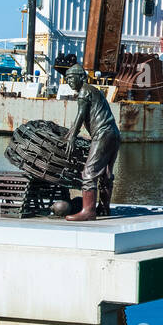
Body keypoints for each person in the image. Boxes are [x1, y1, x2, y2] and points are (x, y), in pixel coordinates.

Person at [63, 65, 120, 221]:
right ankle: (104, 208)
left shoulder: (84, 91)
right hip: (113, 134)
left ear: (81, 77)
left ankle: (88, 212)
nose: (69, 81)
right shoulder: (94, 90)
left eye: (71, 77)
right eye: (67, 78)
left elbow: (80, 115)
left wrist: (72, 136)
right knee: (106, 174)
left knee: (89, 173)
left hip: (102, 134)